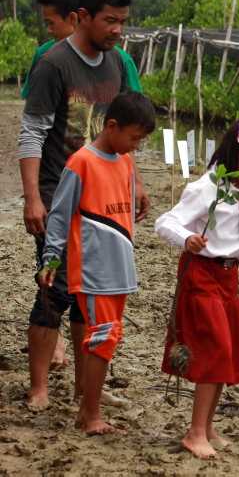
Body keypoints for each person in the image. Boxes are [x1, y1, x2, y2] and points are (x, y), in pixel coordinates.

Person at [18, 0, 150, 410]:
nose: (117, 29)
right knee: (53, 288)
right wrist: (33, 197)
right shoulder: (54, 64)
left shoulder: (115, 64)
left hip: (103, 201)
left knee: (88, 295)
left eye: (122, 21)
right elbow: (33, 132)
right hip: (59, 194)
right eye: (109, 20)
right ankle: (39, 386)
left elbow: (123, 132)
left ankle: (83, 386)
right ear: (82, 17)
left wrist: (137, 181)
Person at [156, 117, 239, 459]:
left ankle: (208, 425)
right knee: (214, 350)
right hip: (202, 273)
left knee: (228, 351)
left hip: (228, 276)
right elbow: (165, 222)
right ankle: (195, 432)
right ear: (236, 154)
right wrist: (188, 238)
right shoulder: (205, 188)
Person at [37, 92, 156, 434]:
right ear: (112, 126)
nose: (135, 146)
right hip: (92, 269)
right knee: (102, 339)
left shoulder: (125, 162)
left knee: (108, 338)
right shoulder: (81, 162)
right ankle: (90, 414)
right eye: (133, 138)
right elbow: (59, 215)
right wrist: (52, 258)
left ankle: (89, 407)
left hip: (120, 267)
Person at [21, 0, 142, 99]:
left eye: (51, 23)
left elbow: (135, 110)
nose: (48, 30)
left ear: (74, 18)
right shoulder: (44, 54)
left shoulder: (121, 61)